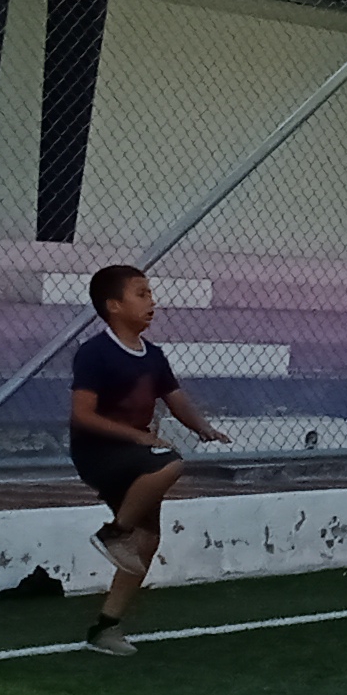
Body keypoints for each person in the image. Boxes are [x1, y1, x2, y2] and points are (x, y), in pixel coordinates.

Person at [68, 263, 229, 657]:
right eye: (141, 294)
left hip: (135, 455)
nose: (151, 302)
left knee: (148, 540)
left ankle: (105, 628)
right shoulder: (95, 353)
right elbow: (83, 415)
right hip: (99, 452)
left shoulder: (153, 355)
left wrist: (202, 427)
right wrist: (139, 436)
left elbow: (175, 399)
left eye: (151, 293)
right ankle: (113, 533)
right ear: (114, 305)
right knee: (169, 462)